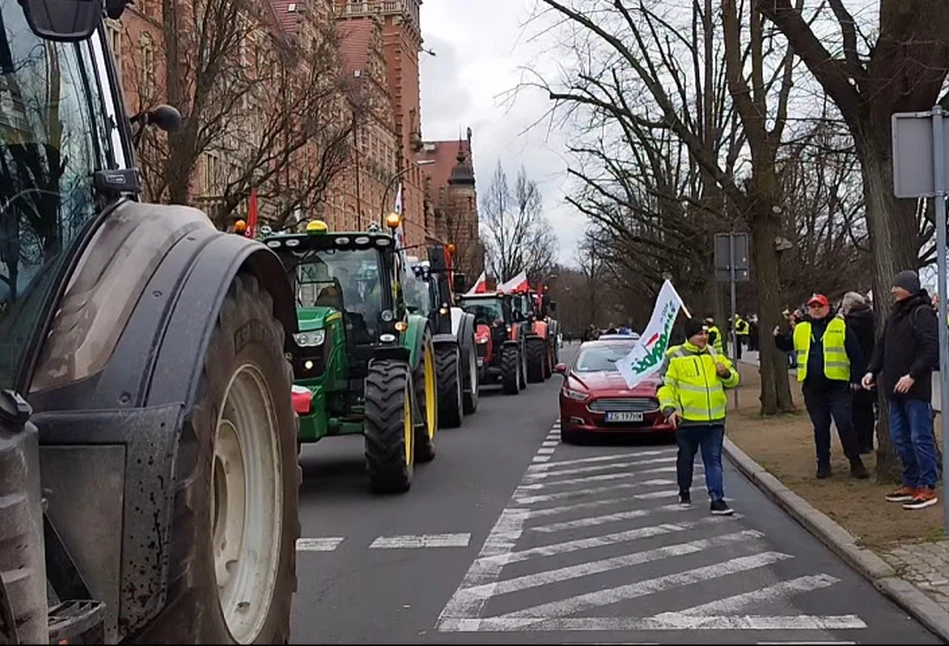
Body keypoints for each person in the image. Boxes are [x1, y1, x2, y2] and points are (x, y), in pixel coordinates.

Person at [863, 270, 940, 510]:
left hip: (915, 389)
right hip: (893, 388)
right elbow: (882, 345)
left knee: (920, 437)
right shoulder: (894, 315)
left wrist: (912, 375)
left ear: (908, 287)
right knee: (900, 438)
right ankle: (910, 481)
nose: (893, 290)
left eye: (897, 286)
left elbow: (930, 350)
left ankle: (927, 485)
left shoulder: (923, 313)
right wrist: (871, 370)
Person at [774, 293, 868, 479]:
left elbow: (855, 353)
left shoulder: (840, 325)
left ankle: (855, 462)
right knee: (821, 427)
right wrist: (778, 338)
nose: (816, 310)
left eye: (820, 306)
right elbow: (788, 345)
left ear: (827, 308)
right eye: (813, 306)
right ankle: (823, 464)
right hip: (812, 387)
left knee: (844, 425)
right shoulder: (801, 328)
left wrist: (857, 380)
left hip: (837, 386)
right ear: (808, 309)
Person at [658, 318, 740, 515]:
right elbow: (665, 387)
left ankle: (717, 500)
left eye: (705, 334)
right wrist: (669, 410)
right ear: (689, 336)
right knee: (686, 458)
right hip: (687, 421)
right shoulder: (674, 356)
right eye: (699, 334)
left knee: (713, 460)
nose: (704, 337)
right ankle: (684, 490)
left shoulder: (714, 354)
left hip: (714, 420)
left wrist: (726, 373)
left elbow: (734, 381)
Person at [841, 292, 876, 455]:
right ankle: (868, 442)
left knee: (855, 409)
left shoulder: (850, 323)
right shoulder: (871, 318)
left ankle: (860, 442)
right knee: (867, 407)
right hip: (871, 364)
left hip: (856, 367)